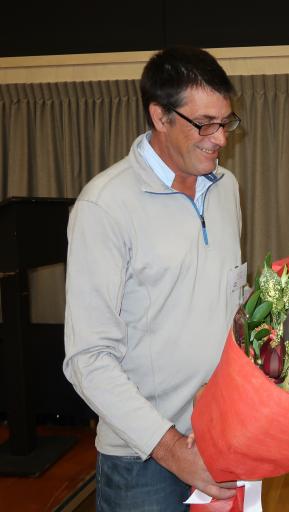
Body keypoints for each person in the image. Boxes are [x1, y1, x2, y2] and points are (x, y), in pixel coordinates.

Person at [63, 47, 246, 511]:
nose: (219, 138)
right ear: (160, 116)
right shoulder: (104, 206)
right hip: (143, 461)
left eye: (225, 122)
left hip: (224, 438)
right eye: (204, 124)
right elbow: (88, 359)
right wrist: (173, 450)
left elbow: (231, 307)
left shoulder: (227, 189)